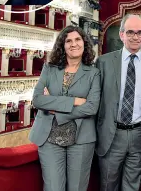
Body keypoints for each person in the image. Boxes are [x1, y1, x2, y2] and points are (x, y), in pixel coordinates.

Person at [29, 26, 101, 191]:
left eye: (77, 39)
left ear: (85, 43)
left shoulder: (94, 73)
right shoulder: (49, 68)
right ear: (62, 45)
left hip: (81, 139)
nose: (73, 44)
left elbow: (91, 107)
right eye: (68, 41)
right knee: (53, 187)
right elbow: (38, 100)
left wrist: (56, 108)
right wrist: (74, 100)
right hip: (49, 138)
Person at [96, 14, 141, 191]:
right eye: (130, 32)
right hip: (111, 134)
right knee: (108, 185)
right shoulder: (104, 62)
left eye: (140, 32)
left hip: (140, 135)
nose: (135, 36)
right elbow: (95, 100)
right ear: (121, 34)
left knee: (132, 187)